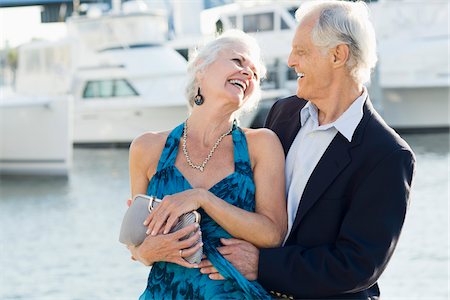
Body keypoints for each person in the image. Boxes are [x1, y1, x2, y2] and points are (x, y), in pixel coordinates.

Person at [199, 1, 416, 299]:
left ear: (338, 55)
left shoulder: (388, 155)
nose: (290, 60)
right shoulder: (282, 114)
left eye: (301, 51)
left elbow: (357, 265)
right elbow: (245, 196)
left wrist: (262, 265)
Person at [127, 30, 287, 299]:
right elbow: (137, 235)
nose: (248, 73)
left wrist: (202, 198)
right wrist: (143, 253)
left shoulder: (261, 144)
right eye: (238, 61)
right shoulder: (146, 148)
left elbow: (273, 233)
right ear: (201, 68)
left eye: (256, 74)